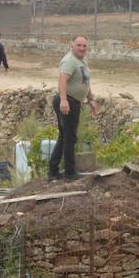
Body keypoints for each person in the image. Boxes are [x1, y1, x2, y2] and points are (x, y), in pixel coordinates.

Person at [49, 36, 97, 181]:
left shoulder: (82, 61)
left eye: (84, 46)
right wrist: (64, 100)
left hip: (74, 101)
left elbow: (85, 81)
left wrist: (91, 98)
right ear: (72, 46)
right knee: (70, 137)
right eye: (79, 45)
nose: (82, 48)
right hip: (67, 101)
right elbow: (62, 79)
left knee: (64, 136)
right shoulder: (69, 60)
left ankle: (53, 171)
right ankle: (69, 173)